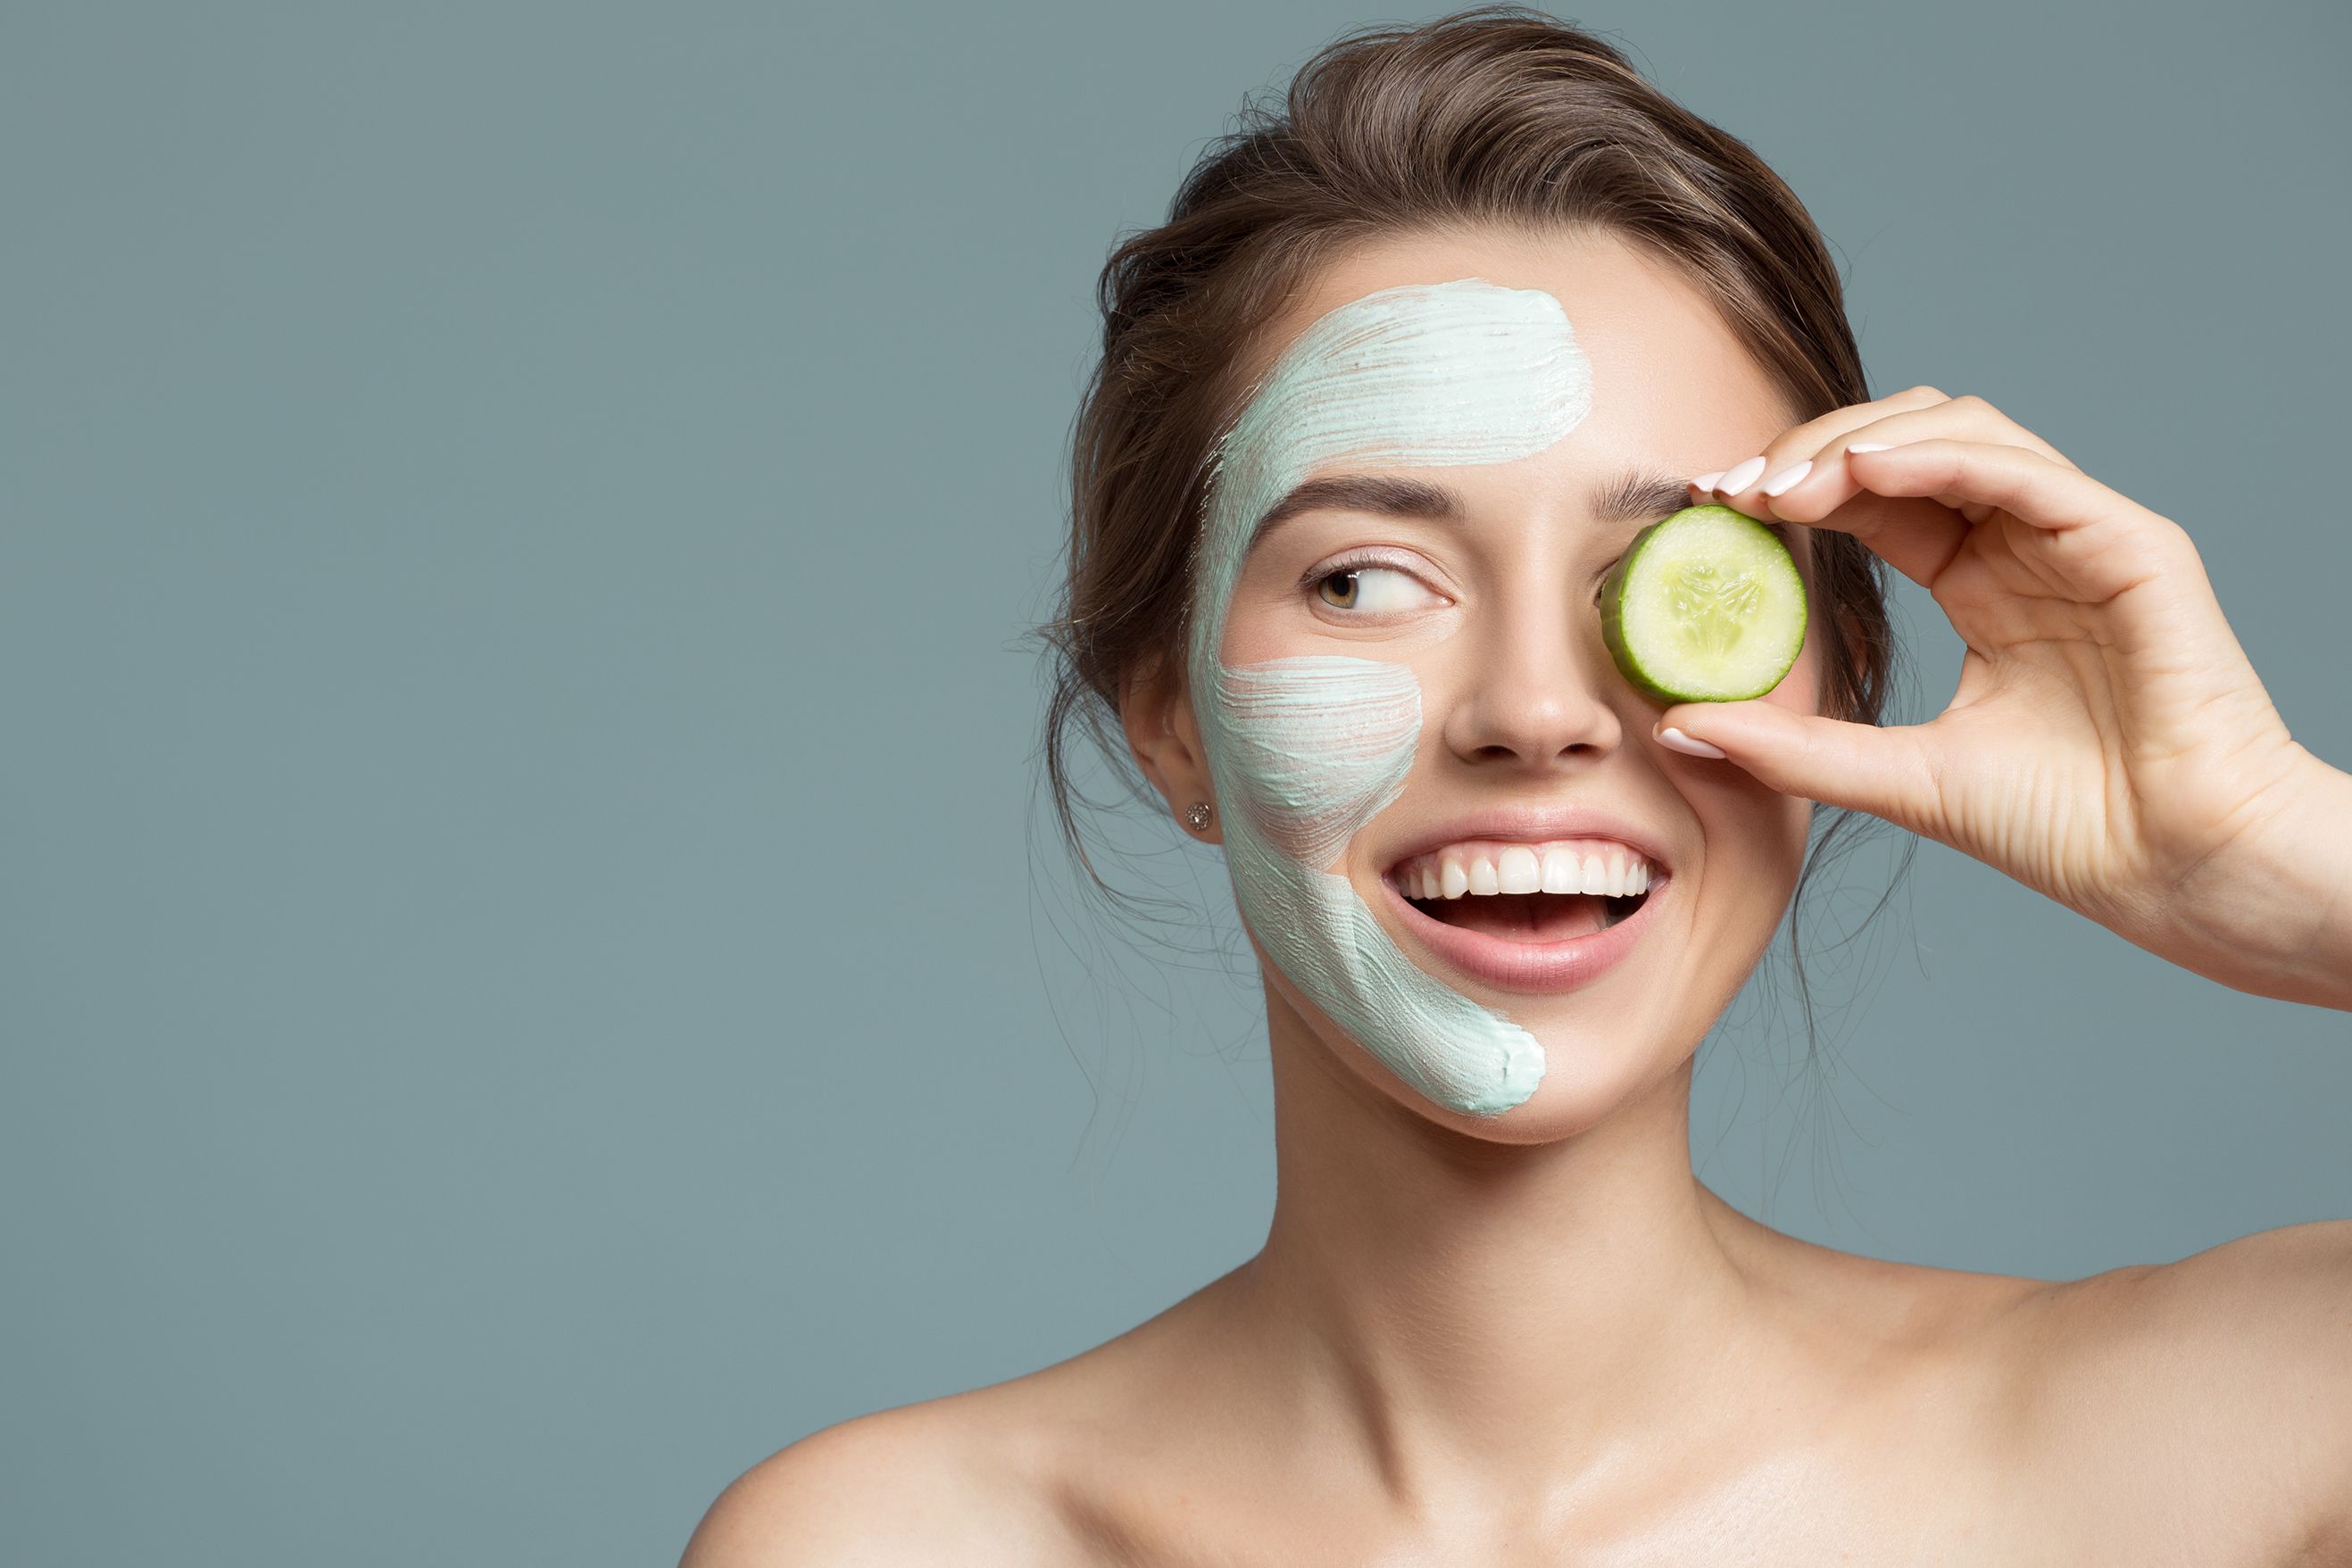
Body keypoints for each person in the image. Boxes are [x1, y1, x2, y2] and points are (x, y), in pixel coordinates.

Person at [684, 9, 2352, 1562]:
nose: (1539, 710)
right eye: (1366, 580)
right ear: (1168, 716)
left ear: (1841, 677)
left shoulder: (2226, 1444)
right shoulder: (893, 1540)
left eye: (1675, 578)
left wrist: (2287, 867)